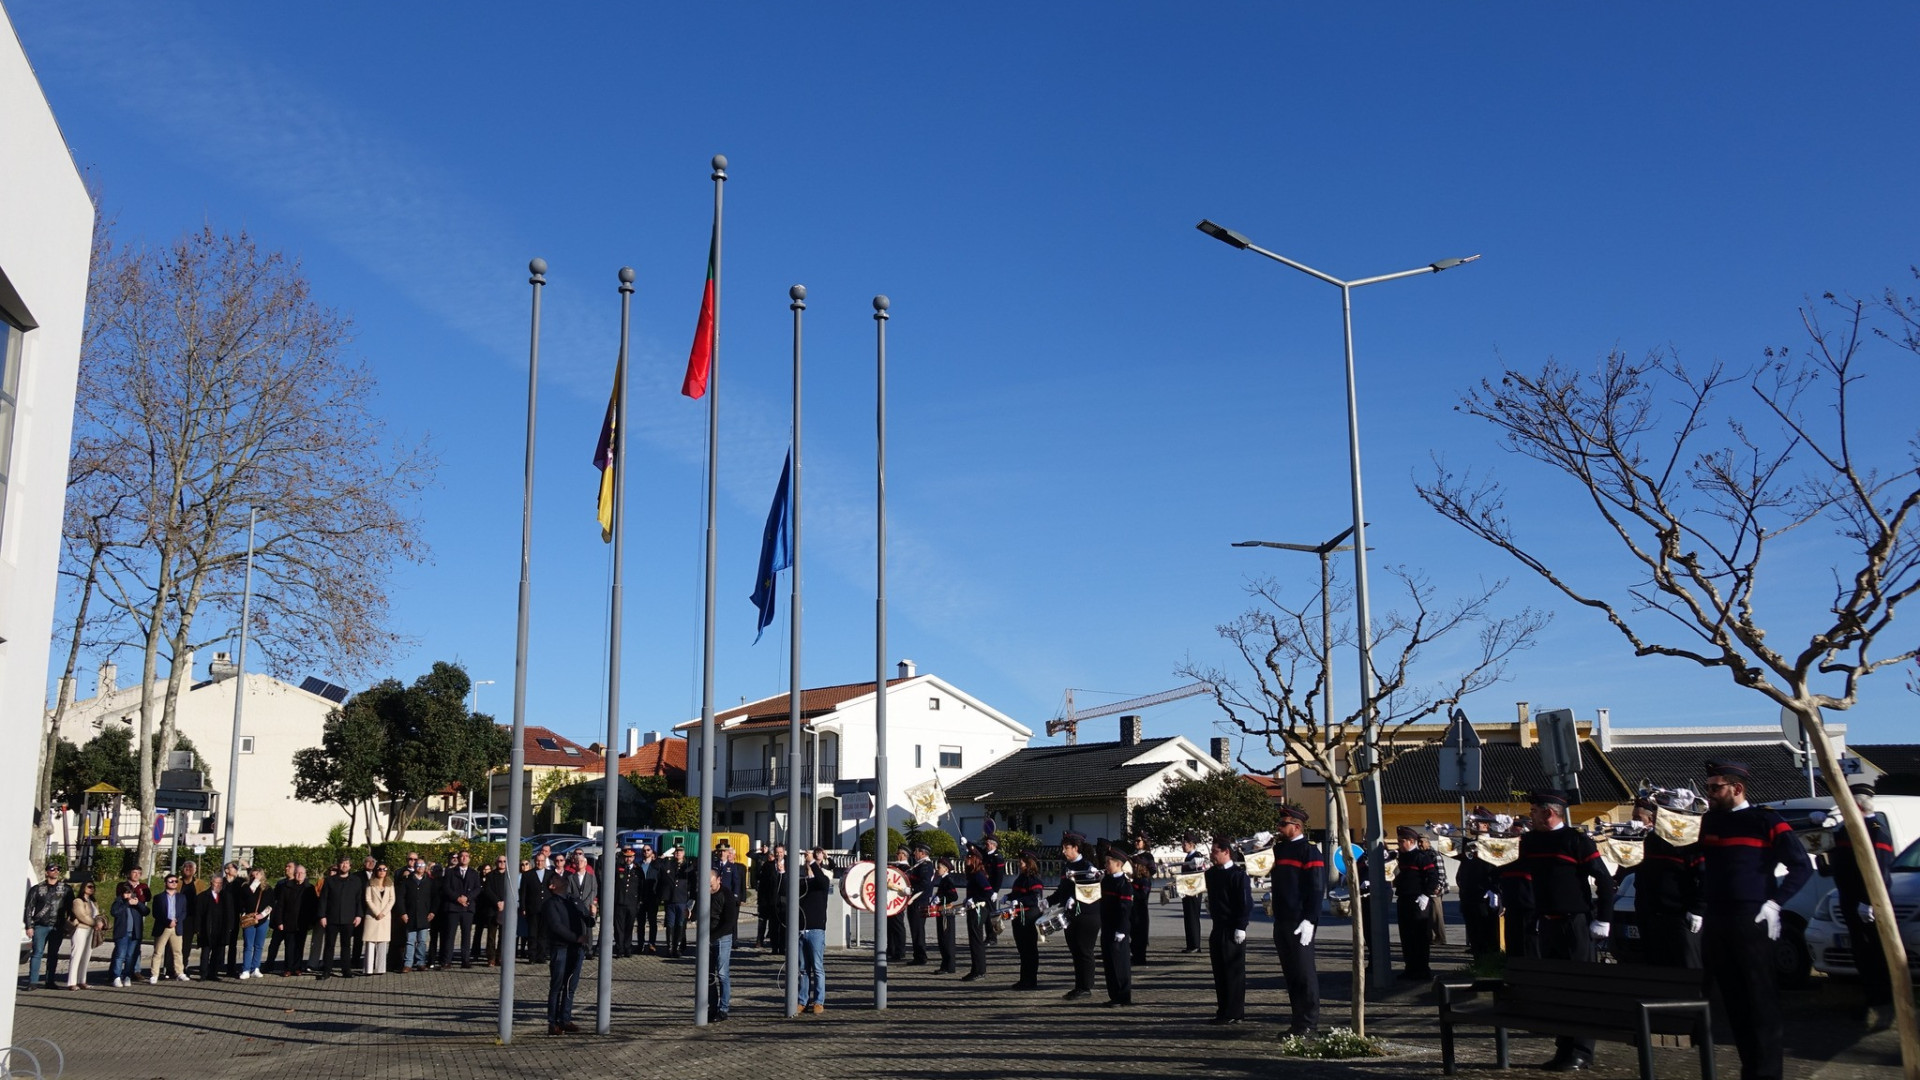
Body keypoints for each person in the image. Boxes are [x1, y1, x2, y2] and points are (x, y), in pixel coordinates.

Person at [1699, 760, 1812, 1080]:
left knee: (1759, 1001)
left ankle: (1766, 1074)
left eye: (1715, 787)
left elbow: (1800, 865)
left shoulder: (1765, 820)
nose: (1709, 794)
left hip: (1752, 916)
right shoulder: (1710, 821)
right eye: (1708, 787)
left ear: (1737, 789)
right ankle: (1751, 1069)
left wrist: (1776, 903)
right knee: (1733, 1002)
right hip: (1718, 916)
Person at [1501, 790, 1616, 1072]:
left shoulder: (1576, 840)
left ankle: (1582, 1050)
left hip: (1574, 921)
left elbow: (1602, 878)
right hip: (1547, 921)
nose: (1531, 816)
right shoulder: (1530, 841)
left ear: (1550, 813)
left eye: (1534, 811)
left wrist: (1603, 919)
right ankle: (1563, 1046)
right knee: (1556, 987)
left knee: (1579, 987)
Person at [1825, 781, 1895, 1022]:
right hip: (1851, 901)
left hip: (1868, 906)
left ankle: (1881, 1002)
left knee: (1875, 954)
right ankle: (1871, 998)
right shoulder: (1849, 829)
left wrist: (1870, 901)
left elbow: (1880, 872)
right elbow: (1838, 860)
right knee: (1862, 955)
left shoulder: (1875, 830)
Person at [1623, 795, 1704, 969]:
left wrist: (1698, 909)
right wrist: (1629, 838)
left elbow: (1703, 877)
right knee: (1657, 965)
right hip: (1651, 913)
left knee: (1687, 963)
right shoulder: (1652, 839)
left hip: (1680, 914)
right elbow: (1627, 867)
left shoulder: (1691, 841)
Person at [1269, 804, 1324, 1035]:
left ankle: (1309, 1022)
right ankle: (1297, 1020)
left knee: (1304, 973)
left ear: (1297, 826)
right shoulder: (1279, 850)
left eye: (1284, 824)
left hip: (1300, 920)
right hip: (1282, 918)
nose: (1279, 828)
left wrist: (1310, 920)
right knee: (1291, 973)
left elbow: (1316, 888)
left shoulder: (1309, 851)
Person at [1206, 834, 1253, 1024]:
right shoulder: (1211, 874)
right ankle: (1223, 1009)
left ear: (1226, 852)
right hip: (1218, 926)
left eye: (1215, 851)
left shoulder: (1237, 875)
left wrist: (1241, 926)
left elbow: (1245, 903)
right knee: (1219, 971)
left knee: (1233, 972)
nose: (1212, 855)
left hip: (1233, 928)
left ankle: (1235, 1012)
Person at [1049, 832, 1101, 999]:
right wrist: (1047, 902)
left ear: (1076, 848)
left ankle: (1085, 987)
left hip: (1087, 916)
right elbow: (1062, 890)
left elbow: (1093, 891)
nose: (1064, 851)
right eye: (1063, 848)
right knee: (1075, 951)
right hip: (1070, 915)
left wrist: (1076, 898)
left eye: (1067, 848)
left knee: (1084, 950)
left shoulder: (1087, 866)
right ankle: (1080, 985)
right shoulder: (1067, 867)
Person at [542, 873, 590, 1035]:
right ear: (552, 886)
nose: (563, 879)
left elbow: (586, 916)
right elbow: (556, 926)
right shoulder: (551, 904)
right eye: (558, 879)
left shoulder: (573, 900)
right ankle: (553, 1022)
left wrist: (590, 917)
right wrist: (576, 938)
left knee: (570, 986)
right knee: (557, 986)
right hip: (561, 948)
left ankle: (565, 1019)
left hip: (576, 950)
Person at [1391, 825, 1439, 981]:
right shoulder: (1401, 857)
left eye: (1401, 841)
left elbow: (1432, 877)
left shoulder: (1421, 857)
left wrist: (1426, 895)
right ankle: (1410, 968)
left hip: (1418, 901)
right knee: (1407, 937)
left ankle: (1423, 970)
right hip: (1404, 899)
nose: (1399, 844)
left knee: (1420, 937)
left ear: (1411, 841)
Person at [1455, 811, 1501, 958]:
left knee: (1488, 931)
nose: (1472, 825)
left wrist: (1495, 888)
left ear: (1486, 825)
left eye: (1477, 822)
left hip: (1486, 894)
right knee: (1475, 932)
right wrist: (1448, 834)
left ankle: (1491, 968)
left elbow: (1497, 868)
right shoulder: (1468, 843)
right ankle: (1478, 965)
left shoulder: (1495, 843)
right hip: (1469, 894)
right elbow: (1452, 852)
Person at [23, 864, 72, 991]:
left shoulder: (66, 889)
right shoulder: (37, 889)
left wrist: (70, 924)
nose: (56, 871)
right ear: (46, 872)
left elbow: (71, 908)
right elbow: (28, 908)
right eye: (52, 869)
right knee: (37, 953)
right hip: (41, 925)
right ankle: (33, 982)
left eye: (58, 869)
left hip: (57, 926)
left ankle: (50, 981)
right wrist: (29, 926)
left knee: (53, 954)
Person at [796, 847, 833, 1013]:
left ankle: (819, 1001)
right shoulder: (801, 884)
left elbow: (822, 880)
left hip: (816, 929)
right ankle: (802, 1000)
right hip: (801, 929)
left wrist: (813, 862)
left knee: (817, 967)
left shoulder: (821, 884)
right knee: (803, 968)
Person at [317, 856, 365, 979]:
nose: (344, 865)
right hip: (331, 918)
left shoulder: (356, 881)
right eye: (342, 863)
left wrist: (359, 915)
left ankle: (346, 970)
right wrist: (322, 916)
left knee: (346, 946)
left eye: (347, 863)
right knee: (329, 946)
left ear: (350, 866)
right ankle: (327, 971)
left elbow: (359, 900)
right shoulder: (329, 880)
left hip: (349, 918)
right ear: (338, 865)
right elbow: (323, 900)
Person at [1099, 845, 1134, 1006]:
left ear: (1118, 864)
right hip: (1107, 926)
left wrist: (1121, 929)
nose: (1106, 865)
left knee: (1120, 964)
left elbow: (1125, 909)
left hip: (1118, 928)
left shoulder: (1124, 884)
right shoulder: (1106, 881)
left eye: (1109, 863)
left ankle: (1123, 996)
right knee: (1109, 963)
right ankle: (1113, 995)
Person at [1007, 850, 1046, 990]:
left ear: (1030, 863)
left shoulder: (1034, 879)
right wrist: (1008, 897)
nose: (1020, 864)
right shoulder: (1020, 878)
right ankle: (1024, 978)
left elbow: (1034, 898)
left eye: (1022, 862)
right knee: (1022, 950)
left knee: (1030, 949)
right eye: (1019, 862)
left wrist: (1018, 900)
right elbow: (1016, 893)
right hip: (1019, 917)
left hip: (1029, 916)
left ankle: (1031, 980)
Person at [707, 868, 740, 1022]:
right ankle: (711, 1007)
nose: (709, 888)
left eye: (711, 885)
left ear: (718, 880)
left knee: (722, 974)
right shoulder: (703, 893)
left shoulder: (726, 895)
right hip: (706, 937)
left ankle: (723, 1008)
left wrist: (713, 937)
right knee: (708, 975)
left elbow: (729, 922)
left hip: (722, 937)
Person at [439, 849, 481, 968]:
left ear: (469, 858)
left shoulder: (474, 873)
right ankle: (447, 960)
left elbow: (477, 888)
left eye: (466, 856)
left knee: (466, 935)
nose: (464, 858)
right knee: (450, 934)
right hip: (453, 907)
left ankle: (465, 960)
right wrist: (457, 898)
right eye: (462, 856)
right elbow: (446, 888)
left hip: (467, 908)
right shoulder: (450, 872)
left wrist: (467, 898)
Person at [399, 857, 437, 972]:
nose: (420, 867)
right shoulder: (407, 881)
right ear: (414, 868)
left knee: (422, 941)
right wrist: (403, 913)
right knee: (410, 941)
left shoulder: (430, 882)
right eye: (418, 865)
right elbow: (400, 898)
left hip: (424, 916)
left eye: (422, 865)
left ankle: (421, 962)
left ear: (425, 867)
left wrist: (432, 912)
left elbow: (435, 898)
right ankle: (408, 964)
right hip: (410, 915)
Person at [150, 873, 190, 982]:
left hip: (177, 927)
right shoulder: (159, 897)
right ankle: (154, 974)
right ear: (165, 883)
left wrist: (177, 920)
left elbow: (184, 911)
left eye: (176, 881)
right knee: (158, 951)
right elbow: (156, 913)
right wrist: (168, 921)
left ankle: (180, 972)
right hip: (163, 926)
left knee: (178, 952)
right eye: (171, 881)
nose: (174, 883)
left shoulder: (182, 897)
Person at [62, 880, 102, 989]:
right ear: (83, 887)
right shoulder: (78, 901)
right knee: (77, 955)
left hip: (91, 931)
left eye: (93, 887)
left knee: (86, 956)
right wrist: (95, 922)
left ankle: (82, 980)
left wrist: (99, 922)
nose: (91, 889)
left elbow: (97, 914)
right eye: (89, 886)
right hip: (80, 929)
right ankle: (72, 982)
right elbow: (82, 916)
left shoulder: (93, 902)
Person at [198, 873, 237, 981]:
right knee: (205, 952)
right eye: (216, 883)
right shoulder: (203, 896)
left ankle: (213, 973)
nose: (218, 885)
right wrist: (198, 929)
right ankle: (203, 973)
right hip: (207, 928)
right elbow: (199, 914)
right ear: (211, 883)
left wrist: (230, 926)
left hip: (221, 929)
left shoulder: (226, 896)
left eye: (220, 883)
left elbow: (230, 913)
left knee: (217, 952)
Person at [962, 847, 993, 981]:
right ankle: (975, 969)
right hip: (974, 909)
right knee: (974, 940)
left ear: (975, 859)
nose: (966, 860)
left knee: (976, 941)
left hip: (979, 909)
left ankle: (980, 971)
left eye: (969, 857)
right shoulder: (974, 875)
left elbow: (988, 892)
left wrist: (974, 899)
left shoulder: (978, 875)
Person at [356, 864, 394, 975]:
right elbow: (368, 899)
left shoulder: (390, 884)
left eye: (384, 869)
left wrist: (384, 913)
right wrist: (377, 912)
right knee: (370, 943)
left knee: (383, 942)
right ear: (376, 871)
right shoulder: (370, 883)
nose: (382, 871)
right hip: (372, 916)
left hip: (385, 917)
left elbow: (392, 899)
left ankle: (381, 968)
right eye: (380, 869)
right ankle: (368, 969)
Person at [109, 879, 146, 987]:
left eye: (130, 892)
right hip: (122, 933)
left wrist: (138, 903)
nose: (128, 895)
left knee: (131, 956)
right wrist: (126, 903)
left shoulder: (135, 901)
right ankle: (116, 976)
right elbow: (114, 912)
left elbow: (146, 911)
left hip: (134, 933)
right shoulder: (118, 902)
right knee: (120, 955)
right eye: (126, 893)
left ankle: (127, 976)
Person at [657, 847, 693, 958]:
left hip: (682, 900)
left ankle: (677, 948)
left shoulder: (688, 866)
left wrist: (691, 903)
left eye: (680, 851)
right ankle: (670, 948)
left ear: (684, 853)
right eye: (676, 851)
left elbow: (692, 883)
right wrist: (663, 855)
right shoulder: (669, 864)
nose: (678, 853)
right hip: (670, 899)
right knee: (670, 924)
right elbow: (655, 865)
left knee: (680, 924)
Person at [238, 866, 273, 978]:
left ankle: (255, 967)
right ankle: (246, 969)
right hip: (249, 919)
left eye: (257, 875)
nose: (254, 877)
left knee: (259, 945)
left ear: (262, 875)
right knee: (248, 945)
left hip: (262, 919)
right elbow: (246, 897)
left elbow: (271, 904)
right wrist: (254, 883)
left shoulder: (267, 889)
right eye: (252, 875)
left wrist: (262, 915)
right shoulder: (245, 887)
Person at [905, 842, 935, 965]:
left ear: (922, 853)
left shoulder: (925, 866)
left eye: (916, 851)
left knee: (918, 930)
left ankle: (921, 957)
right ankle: (918, 955)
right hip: (915, 902)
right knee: (915, 930)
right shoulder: (919, 865)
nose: (914, 853)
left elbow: (925, 883)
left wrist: (911, 890)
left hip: (919, 902)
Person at [520, 852, 554, 963]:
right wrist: (523, 907)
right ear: (535, 861)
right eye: (538, 861)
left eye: (542, 861)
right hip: (532, 908)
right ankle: (532, 956)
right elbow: (523, 893)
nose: (539, 863)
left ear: (545, 862)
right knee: (532, 934)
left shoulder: (551, 874)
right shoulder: (527, 875)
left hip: (546, 909)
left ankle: (541, 956)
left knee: (543, 934)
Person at [479, 854, 510, 965]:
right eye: (500, 861)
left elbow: (512, 890)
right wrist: (497, 902)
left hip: (506, 908)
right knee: (491, 935)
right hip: (492, 908)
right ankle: (491, 957)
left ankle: (500, 957)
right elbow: (487, 890)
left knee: (503, 935)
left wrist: (505, 902)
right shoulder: (491, 875)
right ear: (496, 863)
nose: (502, 863)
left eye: (504, 861)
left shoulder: (509, 876)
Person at [1178, 831, 1206, 954]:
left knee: (1193, 917)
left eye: (1185, 843)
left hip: (1194, 890)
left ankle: (1195, 944)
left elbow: (1200, 869)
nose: (1182, 845)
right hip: (1187, 889)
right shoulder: (1188, 857)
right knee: (1188, 917)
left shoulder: (1197, 856)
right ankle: (1191, 944)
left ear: (1191, 844)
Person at [932, 855, 960, 974]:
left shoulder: (948, 880)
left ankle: (949, 966)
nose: (937, 869)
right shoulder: (943, 880)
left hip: (946, 912)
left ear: (945, 869)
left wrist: (940, 898)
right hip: (941, 911)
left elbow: (954, 896)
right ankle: (945, 965)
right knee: (942, 940)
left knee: (946, 940)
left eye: (939, 867)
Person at [124, 866, 151, 981]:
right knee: (122, 949)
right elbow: (123, 896)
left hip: (138, 918)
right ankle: (123, 972)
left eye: (138, 873)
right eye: (133, 872)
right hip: (126, 919)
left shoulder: (143, 886)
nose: (136, 875)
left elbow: (147, 897)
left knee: (136, 947)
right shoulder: (123, 885)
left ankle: (136, 970)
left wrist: (136, 898)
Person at [612, 849, 640, 957]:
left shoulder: (638, 870)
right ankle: (619, 949)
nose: (628, 859)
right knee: (619, 928)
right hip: (619, 902)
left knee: (629, 927)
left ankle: (628, 948)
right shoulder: (618, 868)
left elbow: (640, 887)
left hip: (632, 903)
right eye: (626, 857)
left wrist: (639, 902)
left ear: (634, 858)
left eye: (631, 857)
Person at [981, 834, 1007, 944]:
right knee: (984, 913)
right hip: (984, 889)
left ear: (993, 845)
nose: (986, 846)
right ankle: (988, 936)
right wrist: (968, 843)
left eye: (987, 844)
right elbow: (977, 850)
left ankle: (992, 937)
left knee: (991, 915)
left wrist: (996, 891)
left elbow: (999, 876)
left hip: (991, 890)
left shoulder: (998, 857)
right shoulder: (986, 855)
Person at [1128, 852, 1153, 966]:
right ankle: (1135, 955)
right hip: (1133, 910)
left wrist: (1132, 892)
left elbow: (1143, 895)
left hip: (1140, 911)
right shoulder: (1134, 879)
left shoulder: (1144, 880)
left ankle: (1140, 958)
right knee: (1134, 934)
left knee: (1140, 936)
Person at [888, 846, 912, 962]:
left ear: (904, 855)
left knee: (898, 925)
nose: (896, 855)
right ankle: (891, 949)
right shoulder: (895, 866)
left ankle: (900, 951)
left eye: (898, 853)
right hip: (889, 900)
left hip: (898, 899)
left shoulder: (906, 868)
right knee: (889, 926)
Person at [635, 846, 661, 954]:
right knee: (640, 923)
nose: (646, 852)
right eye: (644, 850)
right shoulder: (638, 865)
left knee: (652, 922)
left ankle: (652, 944)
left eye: (648, 850)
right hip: (641, 897)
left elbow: (660, 881)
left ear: (652, 852)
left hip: (652, 897)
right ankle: (640, 944)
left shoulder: (656, 866)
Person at [753, 843, 778, 949]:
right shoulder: (767, 865)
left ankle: (765, 940)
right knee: (763, 921)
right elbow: (759, 876)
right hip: (765, 898)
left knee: (770, 922)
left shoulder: (775, 865)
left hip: (770, 898)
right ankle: (761, 940)